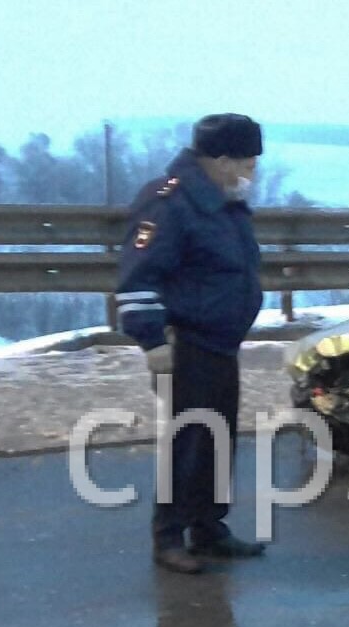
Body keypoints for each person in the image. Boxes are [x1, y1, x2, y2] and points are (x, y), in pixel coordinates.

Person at [115, 113, 269, 574]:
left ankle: (209, 528)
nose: (252, 173)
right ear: (221, 161)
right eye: (248, 163)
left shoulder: (223, 201)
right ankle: (169, 536)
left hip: (220, 341)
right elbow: (139, 276)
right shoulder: (170, 203)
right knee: (188, 441)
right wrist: (151, 339)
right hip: (184, 342)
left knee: (217, 439)